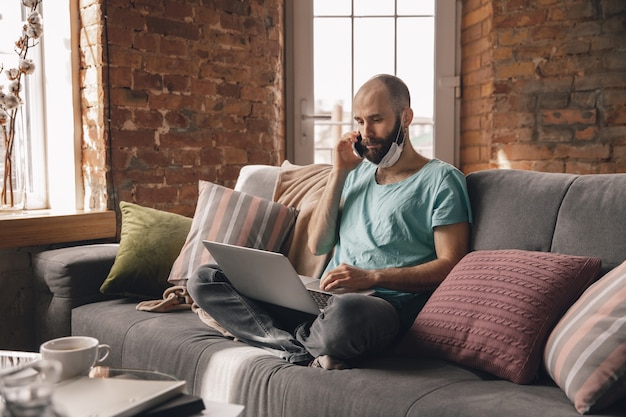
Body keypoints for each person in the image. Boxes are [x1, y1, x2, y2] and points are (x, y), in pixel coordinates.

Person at [188, 74, 472, 369]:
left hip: (379, 308)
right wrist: (338, 172)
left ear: (406, 118)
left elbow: (450, 265)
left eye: (376, 120)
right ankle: (298, 348)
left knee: (347, 315)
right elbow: (318, 244)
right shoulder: (355, 174)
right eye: (359, 122)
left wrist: (373, 277)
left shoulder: (441, 179)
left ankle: (281, 337)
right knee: (207, 278)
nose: (366, 133)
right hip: (324, 300)